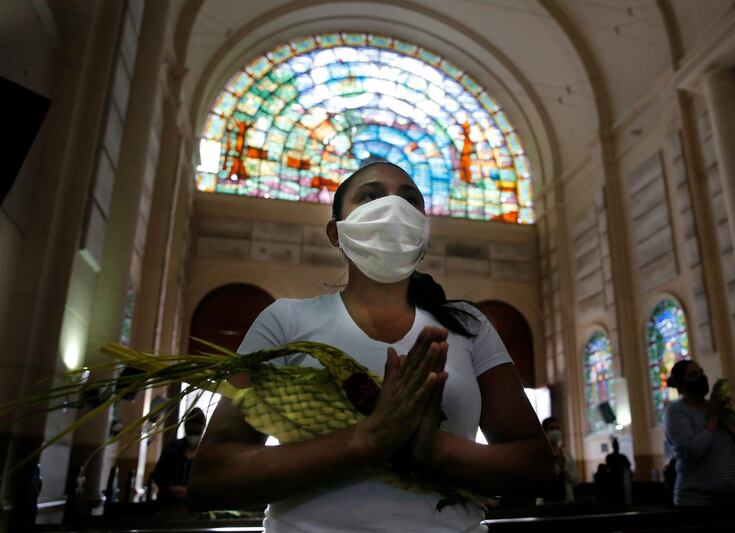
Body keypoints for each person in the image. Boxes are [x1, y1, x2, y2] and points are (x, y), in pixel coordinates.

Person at [188, 161, 556, 532]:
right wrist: (366, 440)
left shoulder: (466, 326)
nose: (395, 208)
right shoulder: (285, 322)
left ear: (423, 232)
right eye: (371, 195)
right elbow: (212, 479)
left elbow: (537, 468)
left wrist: (436, 450)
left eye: (410, 200)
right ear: (336, 232)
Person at [664, 360, 735, 506]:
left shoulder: (721, 410)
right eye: (693, 375)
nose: (701, 377)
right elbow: (691, 452)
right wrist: (713, 418)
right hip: (697, 501)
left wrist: (727, 423)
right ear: (681, 385)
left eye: (701, 372)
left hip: (734, 498)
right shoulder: (676, 412)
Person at [152, 407, 206, 512]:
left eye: (196, 432)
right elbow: (158, 475)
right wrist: (171, 489)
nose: (193, 436)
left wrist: (192, 492)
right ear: (185, 429)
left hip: (198, 507)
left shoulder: (207, 451)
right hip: (169, 505)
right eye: (190, 432)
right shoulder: (172, 449)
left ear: (203, 428)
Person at [542, 416, 578, 502]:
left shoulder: (566, 453)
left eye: (557, 428)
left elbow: (575, 479)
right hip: (548, 501)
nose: (555, 431)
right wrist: (558, 466)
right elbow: (542, 481)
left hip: (567, 499)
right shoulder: (541, 454)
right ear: (545, 432)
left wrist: (565, 469)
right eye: (552, 428)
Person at [604, 437, 632, 505]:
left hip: (620, 480)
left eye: (617, 445)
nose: (617, 446)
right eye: (615, 445)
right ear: (613, 446)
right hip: (614, 480)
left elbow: (628, 466)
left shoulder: (620, 457)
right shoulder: (611, 457)